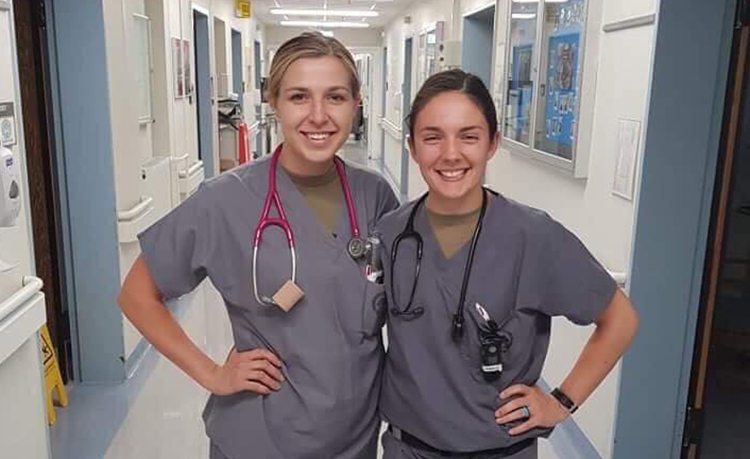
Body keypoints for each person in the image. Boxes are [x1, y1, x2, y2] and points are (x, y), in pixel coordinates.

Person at [118, 32, 399, 459]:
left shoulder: (375, 196)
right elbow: (137, 296)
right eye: (299, 96)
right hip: (261, 436)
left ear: (356, 103)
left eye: (336, 97)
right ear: (274, 100)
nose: (318, 115)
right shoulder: (225, 199)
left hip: (355, 435)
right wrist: (212, 374)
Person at [376, 69, 639, 459]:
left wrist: (561, 402)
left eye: (469, 136)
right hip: (407, 447)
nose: (451, 154)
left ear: (493, 143)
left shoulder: (533, 236)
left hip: (499, 450)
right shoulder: (392, 232)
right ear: (413, 147)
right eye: (433, 137)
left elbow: (621, 319)